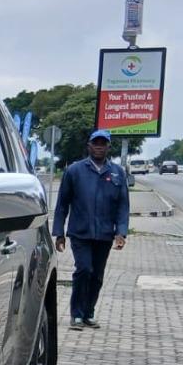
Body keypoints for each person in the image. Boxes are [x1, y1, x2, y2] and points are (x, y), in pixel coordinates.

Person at [52, 129, 129, 330]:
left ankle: (88, 312)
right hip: (80, 232)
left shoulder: (117, 173)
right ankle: (76, 315)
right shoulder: (75, 171)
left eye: (103, 144)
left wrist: (121, 232)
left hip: (104, 234)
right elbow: (62, 204)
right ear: (89, 146)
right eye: (96, 143)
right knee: (84, 269)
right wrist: (59, 232)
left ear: (108, 147)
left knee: (97, 275)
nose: (99, 147)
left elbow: (123, 205)